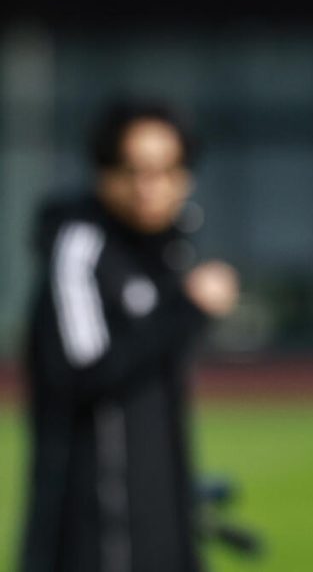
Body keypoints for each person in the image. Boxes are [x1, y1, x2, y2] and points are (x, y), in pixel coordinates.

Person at [21, 101, 239, 572]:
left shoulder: (170, 248)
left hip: (161, 526)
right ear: (103, 173)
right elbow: (82, 372)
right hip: (95, 533)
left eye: (166, 171)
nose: (149, 188)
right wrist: (187, 309)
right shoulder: (79, 245)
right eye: (133, 170)